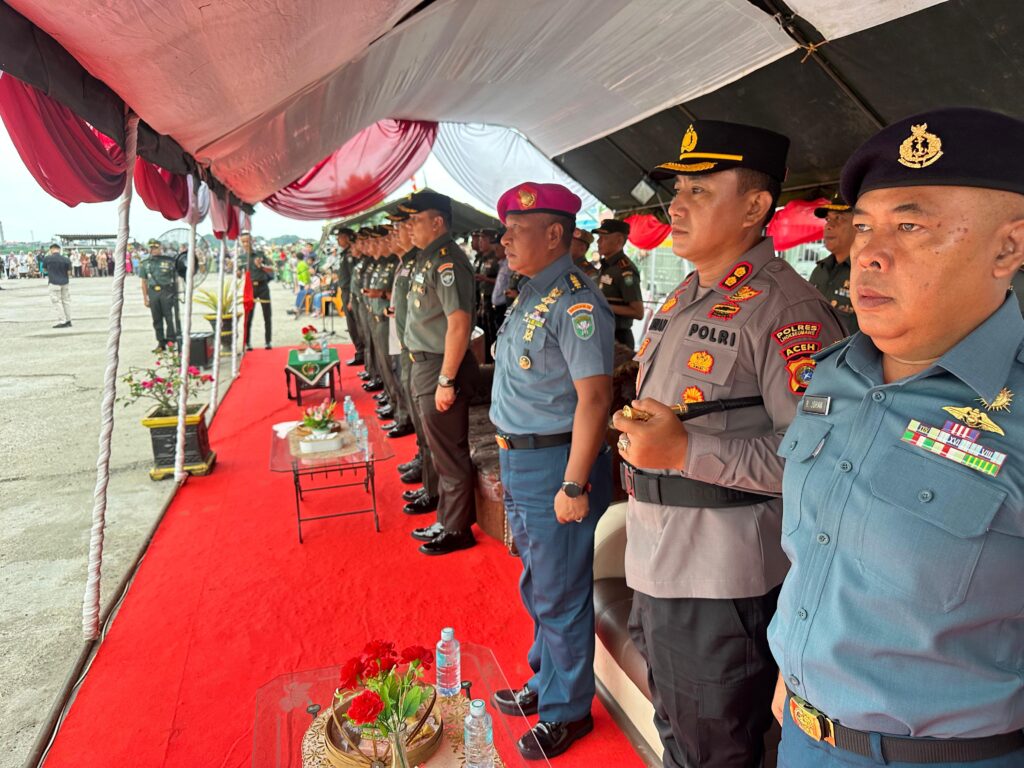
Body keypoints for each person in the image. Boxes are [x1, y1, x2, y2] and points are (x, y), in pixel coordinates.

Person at [767, 107, 1024, 768]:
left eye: (910, 226)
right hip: (803, 735)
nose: (869, 254)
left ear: (1007, 249)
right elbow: (820, 552)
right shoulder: (834, 373)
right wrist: (796, 669)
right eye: (864, 227)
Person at [610, 119, 845, 768]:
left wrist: (685, 452)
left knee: (716, 752)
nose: (676, 206)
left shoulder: (786, 309)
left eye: (699, 191)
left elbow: (817, 461)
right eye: (676, 191)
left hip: (719, 583)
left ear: (754, 206)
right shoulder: (685, 294)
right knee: (679, 735)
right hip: (655, 556)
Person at [488, 182, 615, 760]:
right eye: (506, 229)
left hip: (554, 463)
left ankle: (568, 710)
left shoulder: (576, 302)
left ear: (556, 234)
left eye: (518, 229)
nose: (506, 239)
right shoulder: (529, 293)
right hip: (519, 456)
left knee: (561, 591)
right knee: (537, 579)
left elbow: (595, 398)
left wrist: (573, 481)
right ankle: (546, 680)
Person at [400, 191, 480, 555]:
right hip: (425, 363)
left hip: (439, 365)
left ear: (437, 222)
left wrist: (446, 380)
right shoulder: (428, 258)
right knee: (438, 449)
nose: (410, 227)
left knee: (448, 451)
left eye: (416, 220)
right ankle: (447, 518)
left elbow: (459, 324)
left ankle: (458, 529)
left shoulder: (448, 261)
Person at [809, 198, 859, 334]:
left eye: (839, 218)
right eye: (827, 219)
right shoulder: (819, 270)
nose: (828, 226)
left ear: (858, 226)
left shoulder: (867, 271)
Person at [594, 219, 643, 347]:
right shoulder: (606, 266)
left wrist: (602, 306)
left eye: (604, 238)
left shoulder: (625, 270)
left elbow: (638, 312)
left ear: (619, 240)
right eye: (599, 237)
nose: (598, 242)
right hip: (602, 334)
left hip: (618, 339)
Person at [138, 238, 179, 353]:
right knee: (156, 319)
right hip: (153, 293)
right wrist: (145, 298)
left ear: (160, 248)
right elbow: (144, 282)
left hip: (166, 291)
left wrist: (176, 293)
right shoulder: (145, 263)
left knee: (169, 318)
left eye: (156, 248)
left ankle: (171, 342)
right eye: (151, 248)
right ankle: (161, 343)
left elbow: (176, 278)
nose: (153, 250)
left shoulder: (169, 261)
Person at [332, 227, 364, 366]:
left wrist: (351, 297)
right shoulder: (344, 254)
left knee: (355, 325)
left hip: (350, 292)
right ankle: (360, 352)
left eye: (340, 237)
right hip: (345, 291)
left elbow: (353, 278)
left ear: (347, 237)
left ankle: (361, 353)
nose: (338, 240)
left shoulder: (350, 255)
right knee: (351, 324)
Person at [241, 230, 274, 350]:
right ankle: (247, 343)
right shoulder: (241, 257)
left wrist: (262, 266)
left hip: (263, 287)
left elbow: (271, 269)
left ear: (252, 241)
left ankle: (268, 342)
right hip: (251, 288)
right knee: (249, 316)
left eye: (247, 241)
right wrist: (235, 269)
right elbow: (239, 274)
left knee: (267, 315)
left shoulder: (260, 254)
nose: (246, 244)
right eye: (243, 242)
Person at [43, 243, 72, 328]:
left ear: (51, 249)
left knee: (57, 302)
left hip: (54, 282)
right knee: (66, 301)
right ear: (59, 249)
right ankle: (68, 320)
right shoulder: (66, 259)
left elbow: (44, 270)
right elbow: (69, 272)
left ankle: (62, 321)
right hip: (65, 282)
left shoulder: (47, 259)